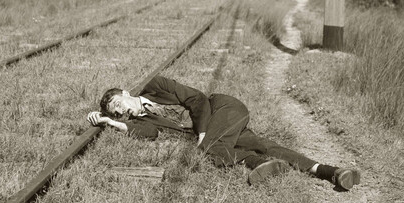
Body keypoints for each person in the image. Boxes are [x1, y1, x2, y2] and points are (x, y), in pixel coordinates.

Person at [87, 75, 360, 189]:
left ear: (125, 93)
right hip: (222, 130)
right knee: (264, 144)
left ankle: (258, 164)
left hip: (223, 107)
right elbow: (147, 134)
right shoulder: (146, 121)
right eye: (117, 113)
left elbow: (197, 99)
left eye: (118, 106)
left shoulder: (156, 84)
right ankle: (332, 172)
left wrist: (203, 133)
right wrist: (110, 123)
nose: (123, 112)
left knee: (208, 151)